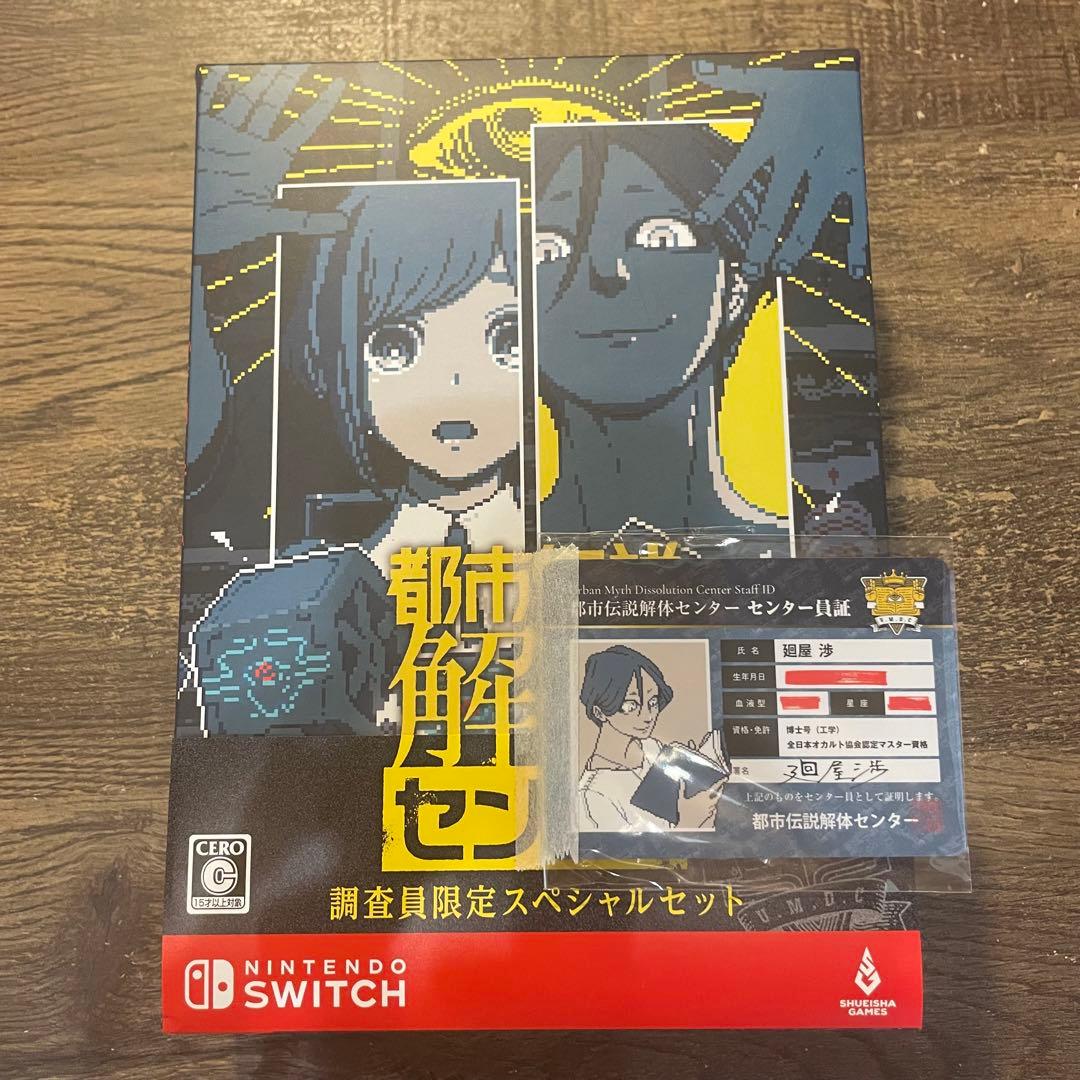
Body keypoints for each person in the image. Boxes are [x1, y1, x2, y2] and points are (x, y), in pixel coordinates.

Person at [190, 181, 524, 734]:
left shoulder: (588, 570)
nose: (454, 382)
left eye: (506, 338)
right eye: (396, 345)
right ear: (340, 358)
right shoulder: (294, 597)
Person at [533, 123, 788, 539]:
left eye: (661, 236)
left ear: (737, 285)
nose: (607, 272)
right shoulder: (504, 564)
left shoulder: (801, 562)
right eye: (550, 247)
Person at [578, 645, 724, 832]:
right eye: (631, 705)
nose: (647, 715)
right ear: (599, 712)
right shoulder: (592, 794)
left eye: (652, 702)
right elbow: (626, 849)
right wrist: (688, 823)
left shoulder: (653, 747)